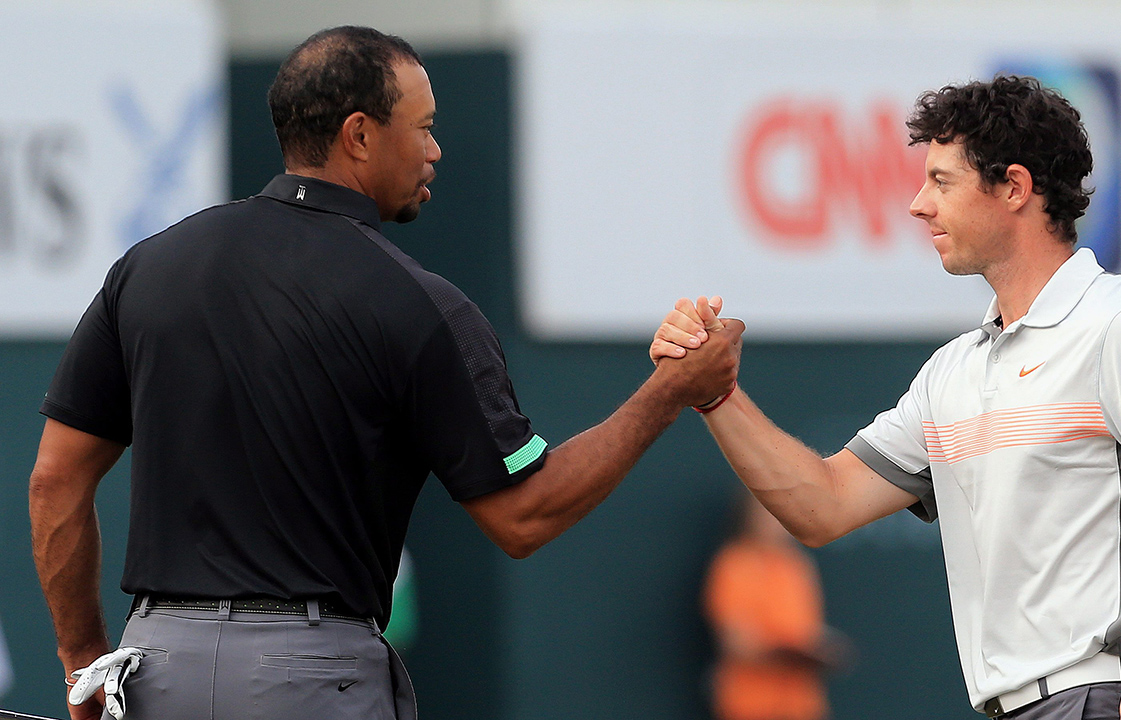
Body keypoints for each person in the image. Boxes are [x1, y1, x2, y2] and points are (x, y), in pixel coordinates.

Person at [28, 26, 742, 720]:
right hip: (307, 679)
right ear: (360, 135)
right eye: (422, 126)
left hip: (155, 668)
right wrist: (670, 390)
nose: (434, 149)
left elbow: (56, 478)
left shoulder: (148, 267)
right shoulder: (421, 303)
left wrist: (84, 660)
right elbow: (525, 514)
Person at [653, 76, 1121, 720]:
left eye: (941, 181)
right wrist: (716, 396)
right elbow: (821, 504)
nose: (918, 205)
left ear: (1014, 188)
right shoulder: (952, 372)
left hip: (1103, 701)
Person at [704, 492, 849, 720]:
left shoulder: (796, 565)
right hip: (752, 706)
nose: (776, 522)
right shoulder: (735, 564)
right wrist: (789, 653)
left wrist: (823, 651)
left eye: (782, 515)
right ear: (749, 517)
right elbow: (737, 645)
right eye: (768, 514)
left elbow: (809, 631)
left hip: (801, 707)